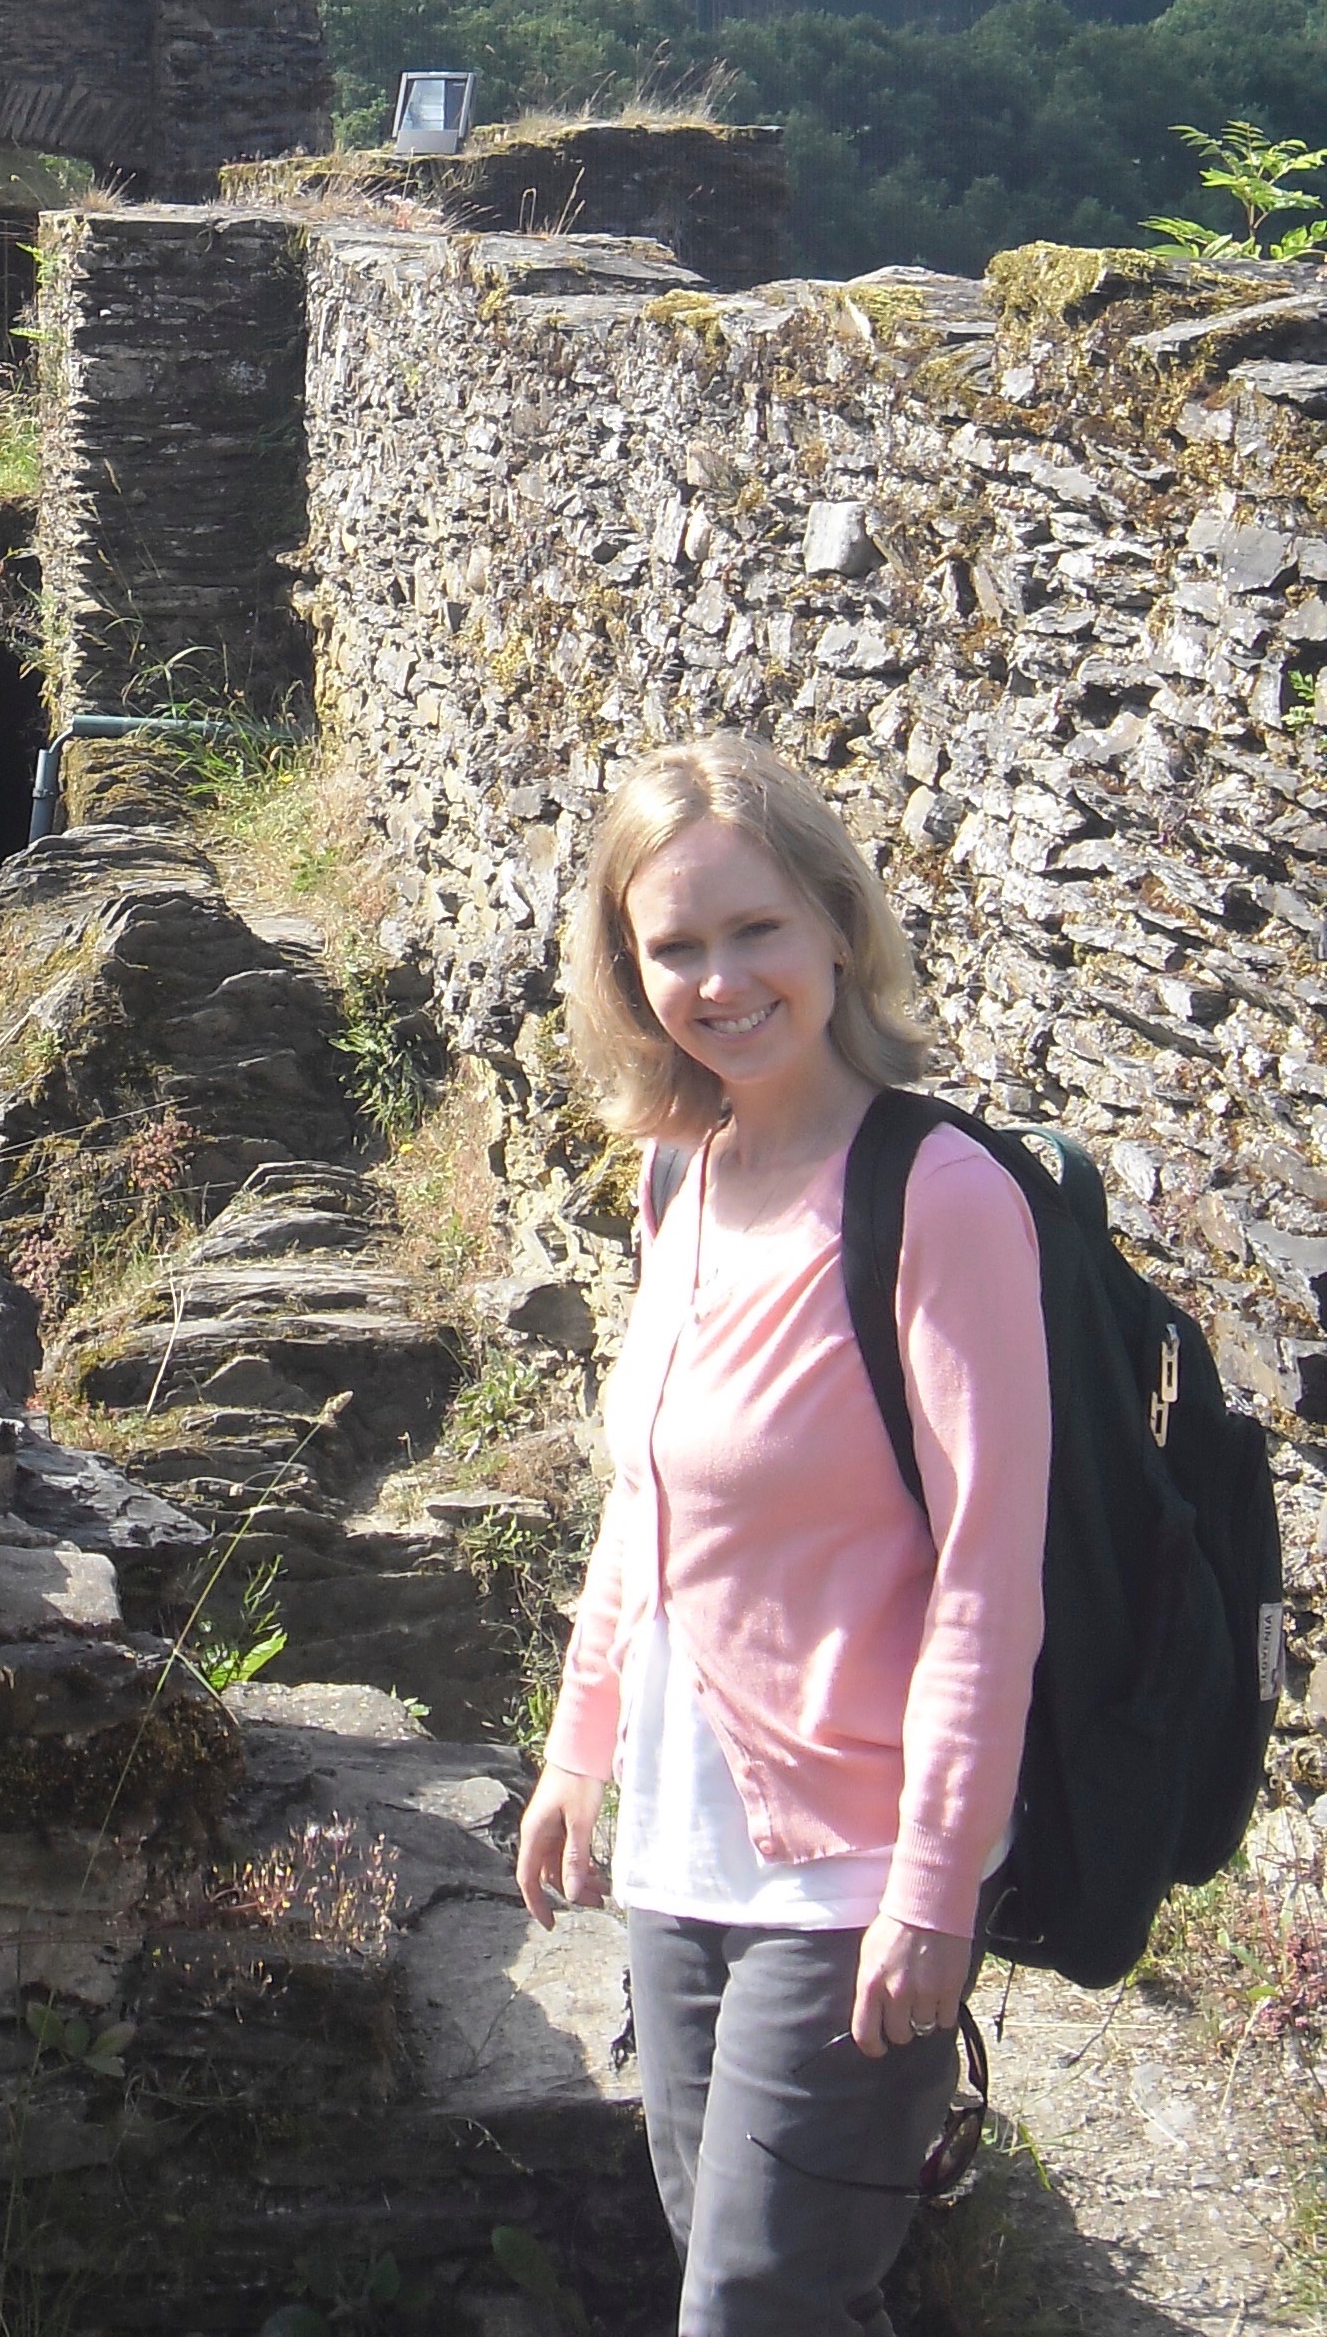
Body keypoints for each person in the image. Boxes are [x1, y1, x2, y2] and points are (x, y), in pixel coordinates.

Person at [513, 732, 1048, 2337]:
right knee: (746, 2277)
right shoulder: (680, 1174)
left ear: (833, 922)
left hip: (856, 1862)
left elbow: (987, 1581)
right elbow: (646, 1504)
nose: (719, 978)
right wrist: (575, 1751)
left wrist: (938, 1888)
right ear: (626, 970)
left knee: (749, 2304)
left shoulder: (939, 1196)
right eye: (671, 945)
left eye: (754, 930)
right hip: (684, 1848)